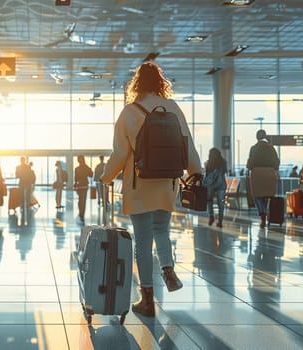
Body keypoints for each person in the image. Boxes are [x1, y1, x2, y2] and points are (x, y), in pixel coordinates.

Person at [100, 61, 202, 318]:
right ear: (160, 82)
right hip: (168, 183)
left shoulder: (130, 112)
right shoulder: (173, 108)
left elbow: (120, 153)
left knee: (143, 240)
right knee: (162, 230)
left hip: (140, 184)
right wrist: (196, 171)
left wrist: (106, 176)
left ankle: (147, 299)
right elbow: (187, 143)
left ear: (137, 83)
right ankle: (168, 269)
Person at [246, 129, 280, 228]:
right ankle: (265, 212)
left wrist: (249, 166)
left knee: (257, 196)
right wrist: (276, 172)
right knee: (267, 195)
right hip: (270, 173)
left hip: (257, 174)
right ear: (265, 136)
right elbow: (276, 162)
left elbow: (250, 162)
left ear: (257, 137)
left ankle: (262, 215)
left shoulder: (254, 148)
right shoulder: (271, 148)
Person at [204, 148, 227, 228]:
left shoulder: (207, 163)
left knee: (209, 201)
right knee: (221, 203)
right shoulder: (223, 162)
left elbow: (206, 176)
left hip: (211, 185)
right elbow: (225, 172)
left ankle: (211, 216)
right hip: (221, 185)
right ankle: (220, 221)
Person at [74, 155, 92, 224]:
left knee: (80, 200)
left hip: (80, 186)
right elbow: (91, 174)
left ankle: (81, 213)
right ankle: (82, 214)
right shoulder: (86, 167)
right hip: (84, 186)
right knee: (83, 201)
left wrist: (75, 186)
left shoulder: (77, 169)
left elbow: (76, 179)